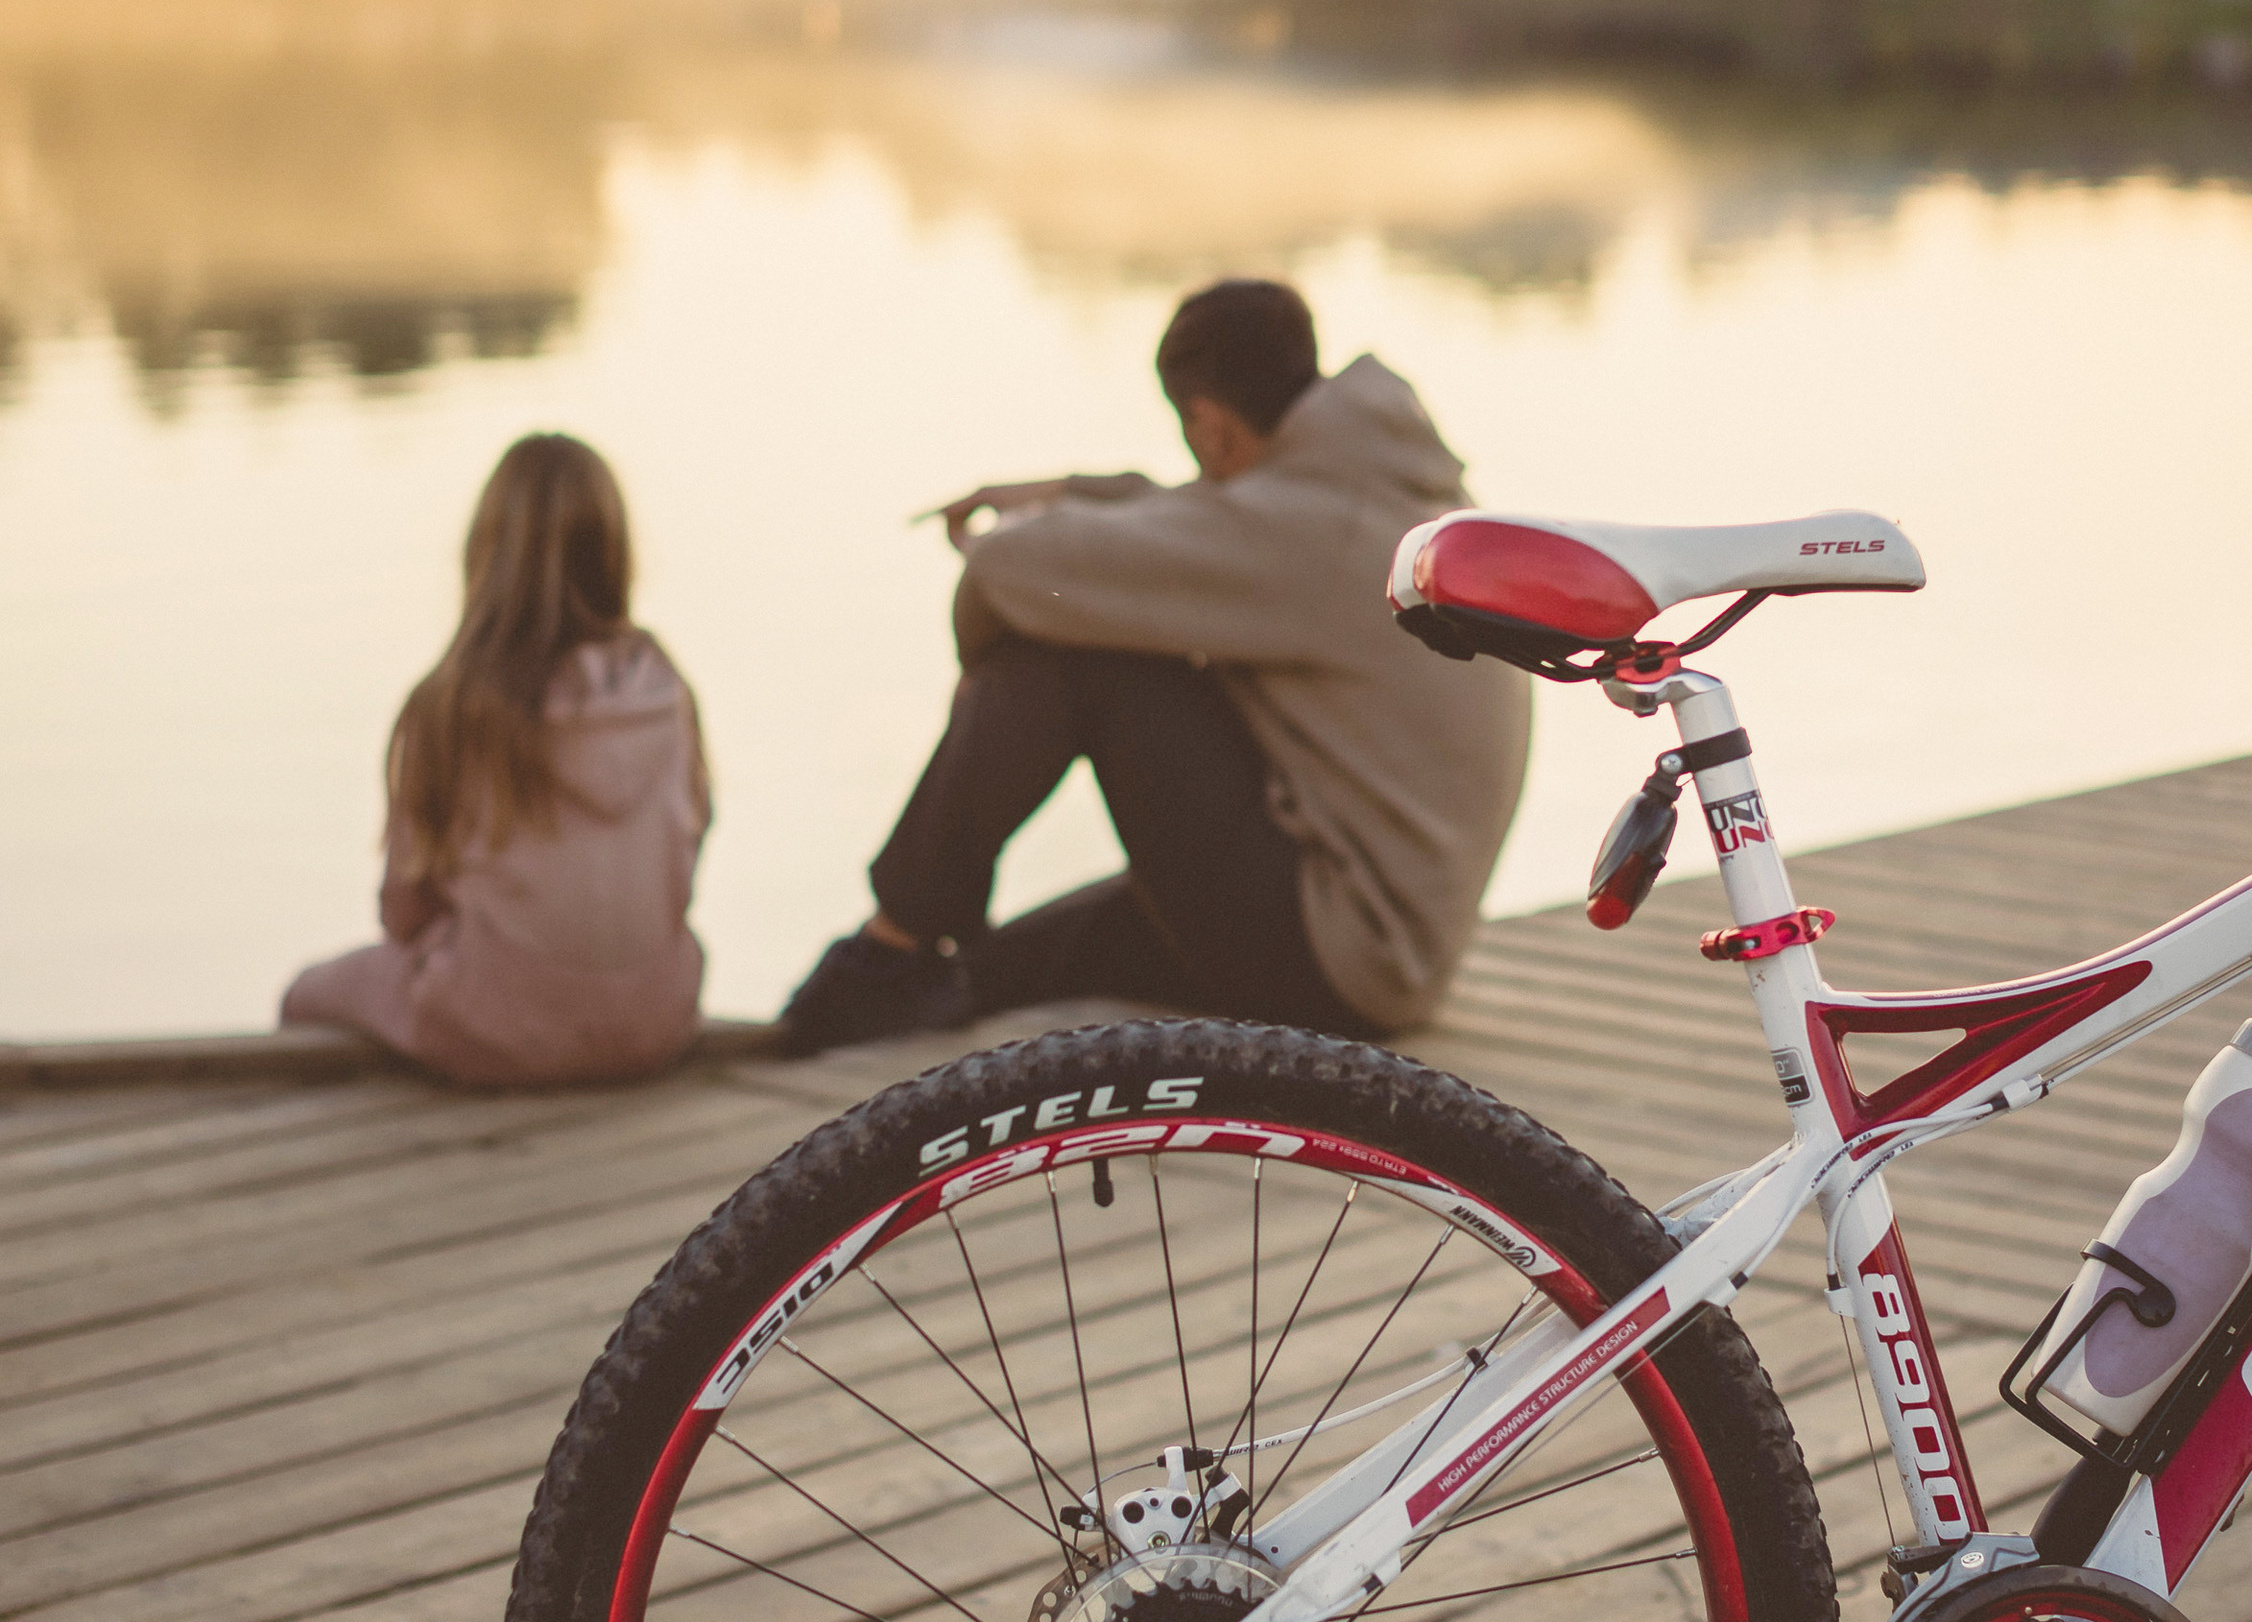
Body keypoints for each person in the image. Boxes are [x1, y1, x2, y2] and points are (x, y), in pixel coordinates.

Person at [781, 279, 1530, 1052]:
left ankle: (895, 936)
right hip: (1373, 940)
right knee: (994, 971)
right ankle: (889, 985)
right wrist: (1072, 492)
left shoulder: (1310, 532)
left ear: (1207, 424)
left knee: (1074, 657)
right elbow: (1215, 520)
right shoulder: (1376, 491)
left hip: (1340, 956)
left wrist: (988, 673)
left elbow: (1006, 570)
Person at [281, 433, 712, 1087]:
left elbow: (405, 910)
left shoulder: (452, 704)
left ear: (484, 553)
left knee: (307, 993)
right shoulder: (665, 689)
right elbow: (683, 861)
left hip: (496, 1029)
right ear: (614, 552)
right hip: (658, 1019)